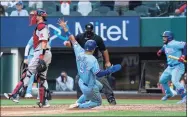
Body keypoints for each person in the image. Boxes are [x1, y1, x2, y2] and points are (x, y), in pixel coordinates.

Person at [57, 18, 121, 109]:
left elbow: (71, 37)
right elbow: (98, 73)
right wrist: (109, 70)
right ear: (94, 49)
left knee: (99, 85)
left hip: (81, 81)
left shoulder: (79, 50)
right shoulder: (92, 59)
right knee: (97, 102)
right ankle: (80, 105)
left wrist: (65, 28)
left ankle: (79, 101)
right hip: (88, 85)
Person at [4, 9, 52, 108]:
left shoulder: (41, 26)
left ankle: (15, 94)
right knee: (42, 77)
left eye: (36, 15)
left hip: (41, 52)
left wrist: (41, 57)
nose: (34, 17)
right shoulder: (42, 27)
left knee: (27, 73)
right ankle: (44, 101)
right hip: (46, 52)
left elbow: (43, 42)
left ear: (40, 16)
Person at [157, 30, 187, 104]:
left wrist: (183, 56)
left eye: (165, 37)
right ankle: (169, 93)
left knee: (175, 81)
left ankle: (185, 97)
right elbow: (164, 47)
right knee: (162, 80)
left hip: (178, 66)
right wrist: (160, 51)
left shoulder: (175, 43)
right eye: (163, 37)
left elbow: (186, 45)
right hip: (170, 67)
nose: (163, 38)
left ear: (169, 38)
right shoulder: (166, 45)